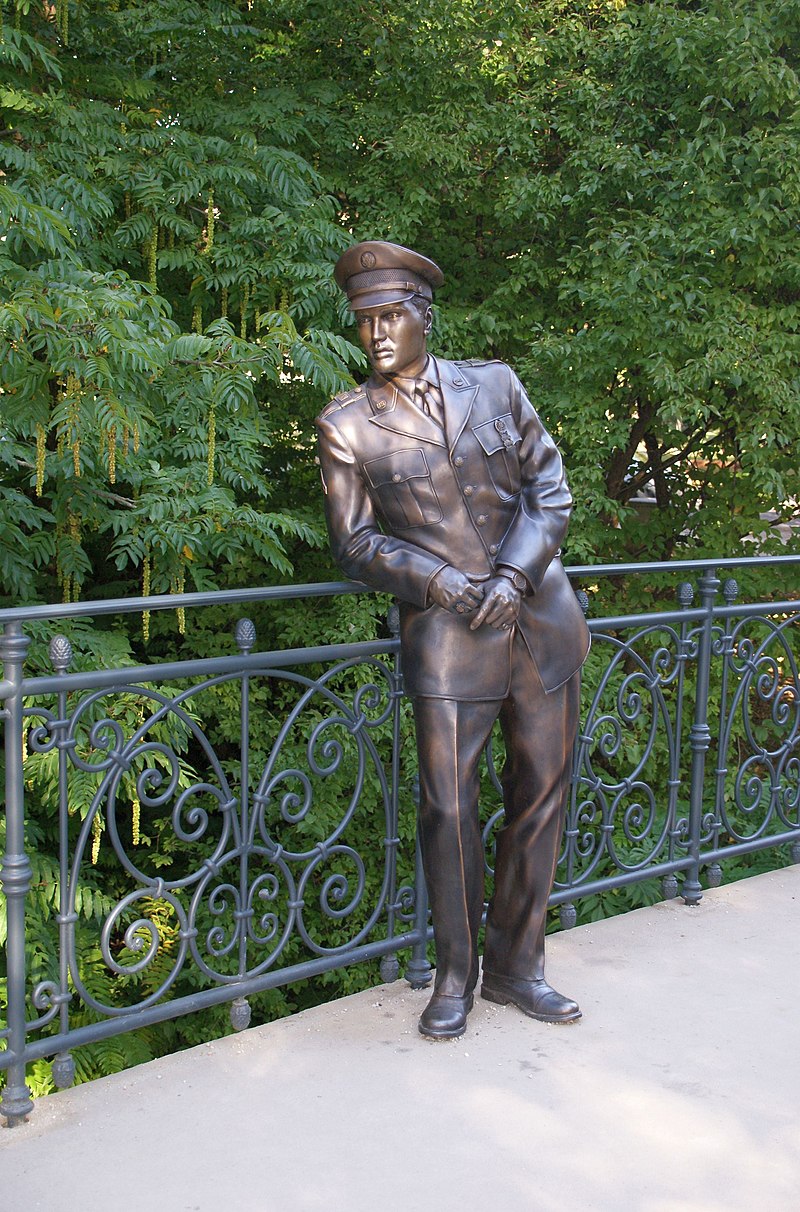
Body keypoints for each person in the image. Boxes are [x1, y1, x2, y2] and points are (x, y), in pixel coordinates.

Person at [315, 240, 590, 1040]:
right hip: (444, 638)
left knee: (540, 795)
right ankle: (455, 977)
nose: (377, 333)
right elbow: (355, 544)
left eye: (392, 315)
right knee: (448, 809)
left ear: (423, 317)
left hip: (539, 623)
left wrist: (511, 577)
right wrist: (443, 585)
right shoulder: (346, 425)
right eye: (365, 320)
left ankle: (518, 967)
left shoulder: (497, 386)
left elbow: (551, 490)